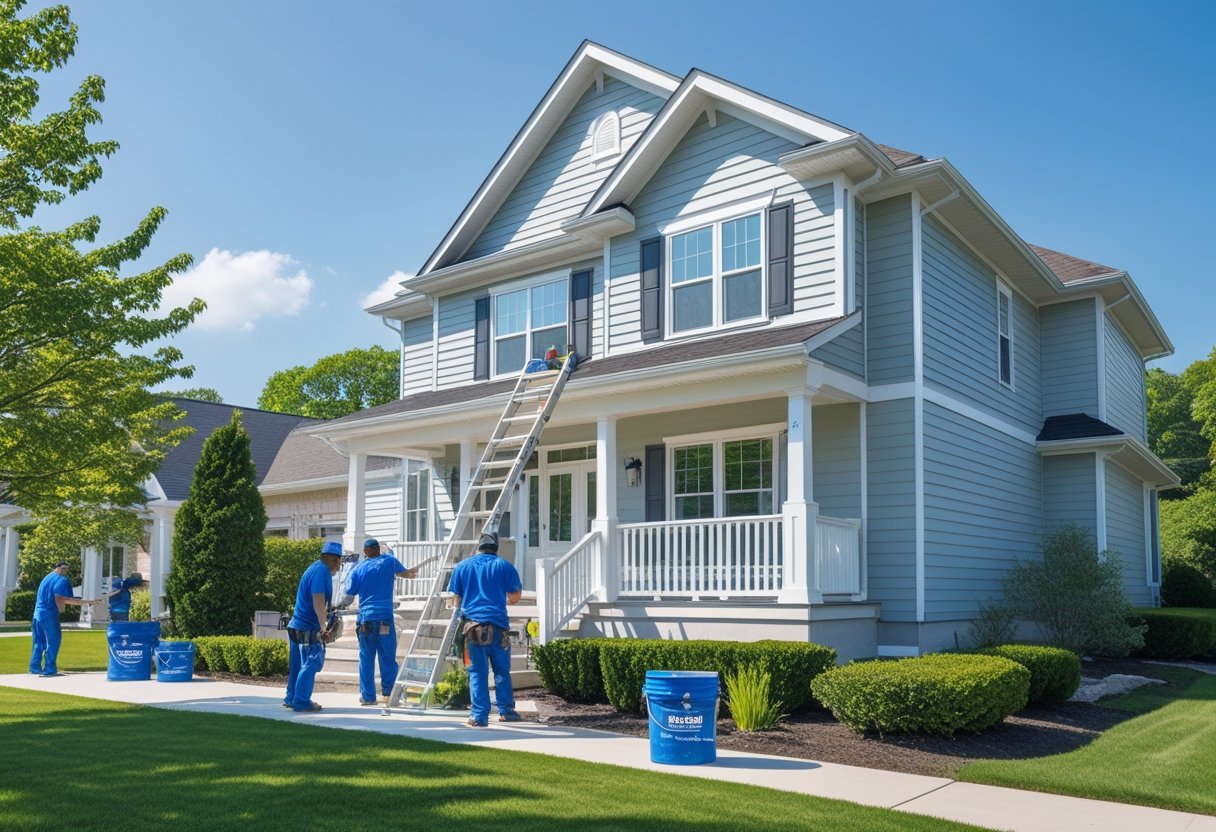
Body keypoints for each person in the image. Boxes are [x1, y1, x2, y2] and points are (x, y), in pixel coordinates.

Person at [447, 531, 522, 727]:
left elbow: (455, 598)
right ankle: (507, 711)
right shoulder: (505, 566)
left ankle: (479, 716)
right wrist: (500, 600)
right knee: (501, 671)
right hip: (499, 627)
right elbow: (515, 596)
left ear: (478, 546)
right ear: (496, 547)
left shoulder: (463, 567)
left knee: (477, 673)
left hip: (474, 629)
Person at [344, 538, 417, 706]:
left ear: (365, 551)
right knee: (387, 656)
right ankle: (390, 695)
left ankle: (368, 697)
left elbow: (350, 591)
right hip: (384, 618)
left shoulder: (359, 569)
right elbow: (407, 574)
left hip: (366, 620)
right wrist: (413, 573)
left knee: (366, 658)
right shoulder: (389, 561)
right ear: (379, 549)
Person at [283, 541, 343, 712]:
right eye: (339, 561)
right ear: (333, 559)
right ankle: (301, 701)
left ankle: (291, 697)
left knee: (297, 665)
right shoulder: (321, 571)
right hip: (307, 627)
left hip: (296, 625)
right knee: (312, 662)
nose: (339, 566)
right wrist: (323, 626)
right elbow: (317, 600)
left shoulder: (314, 568)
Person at [29, 561, 98, 676]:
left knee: (38, 641)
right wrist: (86, 602)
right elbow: (61, 599)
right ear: (59, 568)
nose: (65, 571)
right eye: (64, 569)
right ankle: (49, 669)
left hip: (37, 614)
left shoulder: (47, 578)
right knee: (53, 641)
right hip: (49, 614)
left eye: (66, 569)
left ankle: (34, 667)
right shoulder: (62, 580)